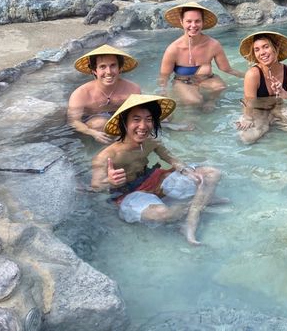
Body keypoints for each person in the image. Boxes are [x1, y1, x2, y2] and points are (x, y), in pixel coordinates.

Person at [90, 94, 221, 245]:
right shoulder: (106, 156)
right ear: (124, 122)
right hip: (129, 193)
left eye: (149, 119)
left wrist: (185, 170)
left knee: (211, 173)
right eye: (136, 119)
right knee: (164, 214)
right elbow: (95, 187)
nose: (143, 126)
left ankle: (192, 218)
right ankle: (202, 200)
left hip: (155, 180)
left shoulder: (151, 141)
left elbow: (171, 159)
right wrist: (109, 181)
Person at [158, 1, 243, 109]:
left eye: (197, 21)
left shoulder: (213, 45)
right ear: (181, 22)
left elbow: (227, 69)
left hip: (207, 79)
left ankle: (211, 101)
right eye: (189, 21)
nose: (193, 25)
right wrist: (164, 93)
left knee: (220, 87)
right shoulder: (173, 49)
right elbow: (164, 77)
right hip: (183, 82)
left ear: (203, 22)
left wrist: (247, 76)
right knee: (195, 101)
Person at [235, 31, 287, 143]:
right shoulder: (253, 74)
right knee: (247, 138)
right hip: (258, 110)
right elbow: (248, 101)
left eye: (266, 47)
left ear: (276, 48)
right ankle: (270, 123)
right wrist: (248, 118)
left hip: (279, 108)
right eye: (257, 49)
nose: (262, 52)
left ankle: (275, 122)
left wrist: (284, 94)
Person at [67, 45, 141, 144]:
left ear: (120, 68)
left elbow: (139, 113)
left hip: (121, 120)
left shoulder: (133, 89)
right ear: (94, 70)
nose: (108, 72)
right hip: (92, 123)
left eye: (113, 65)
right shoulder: (81, 94)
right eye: (102, 67)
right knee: (100, 124)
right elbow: (73, 121)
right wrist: (92, 132)